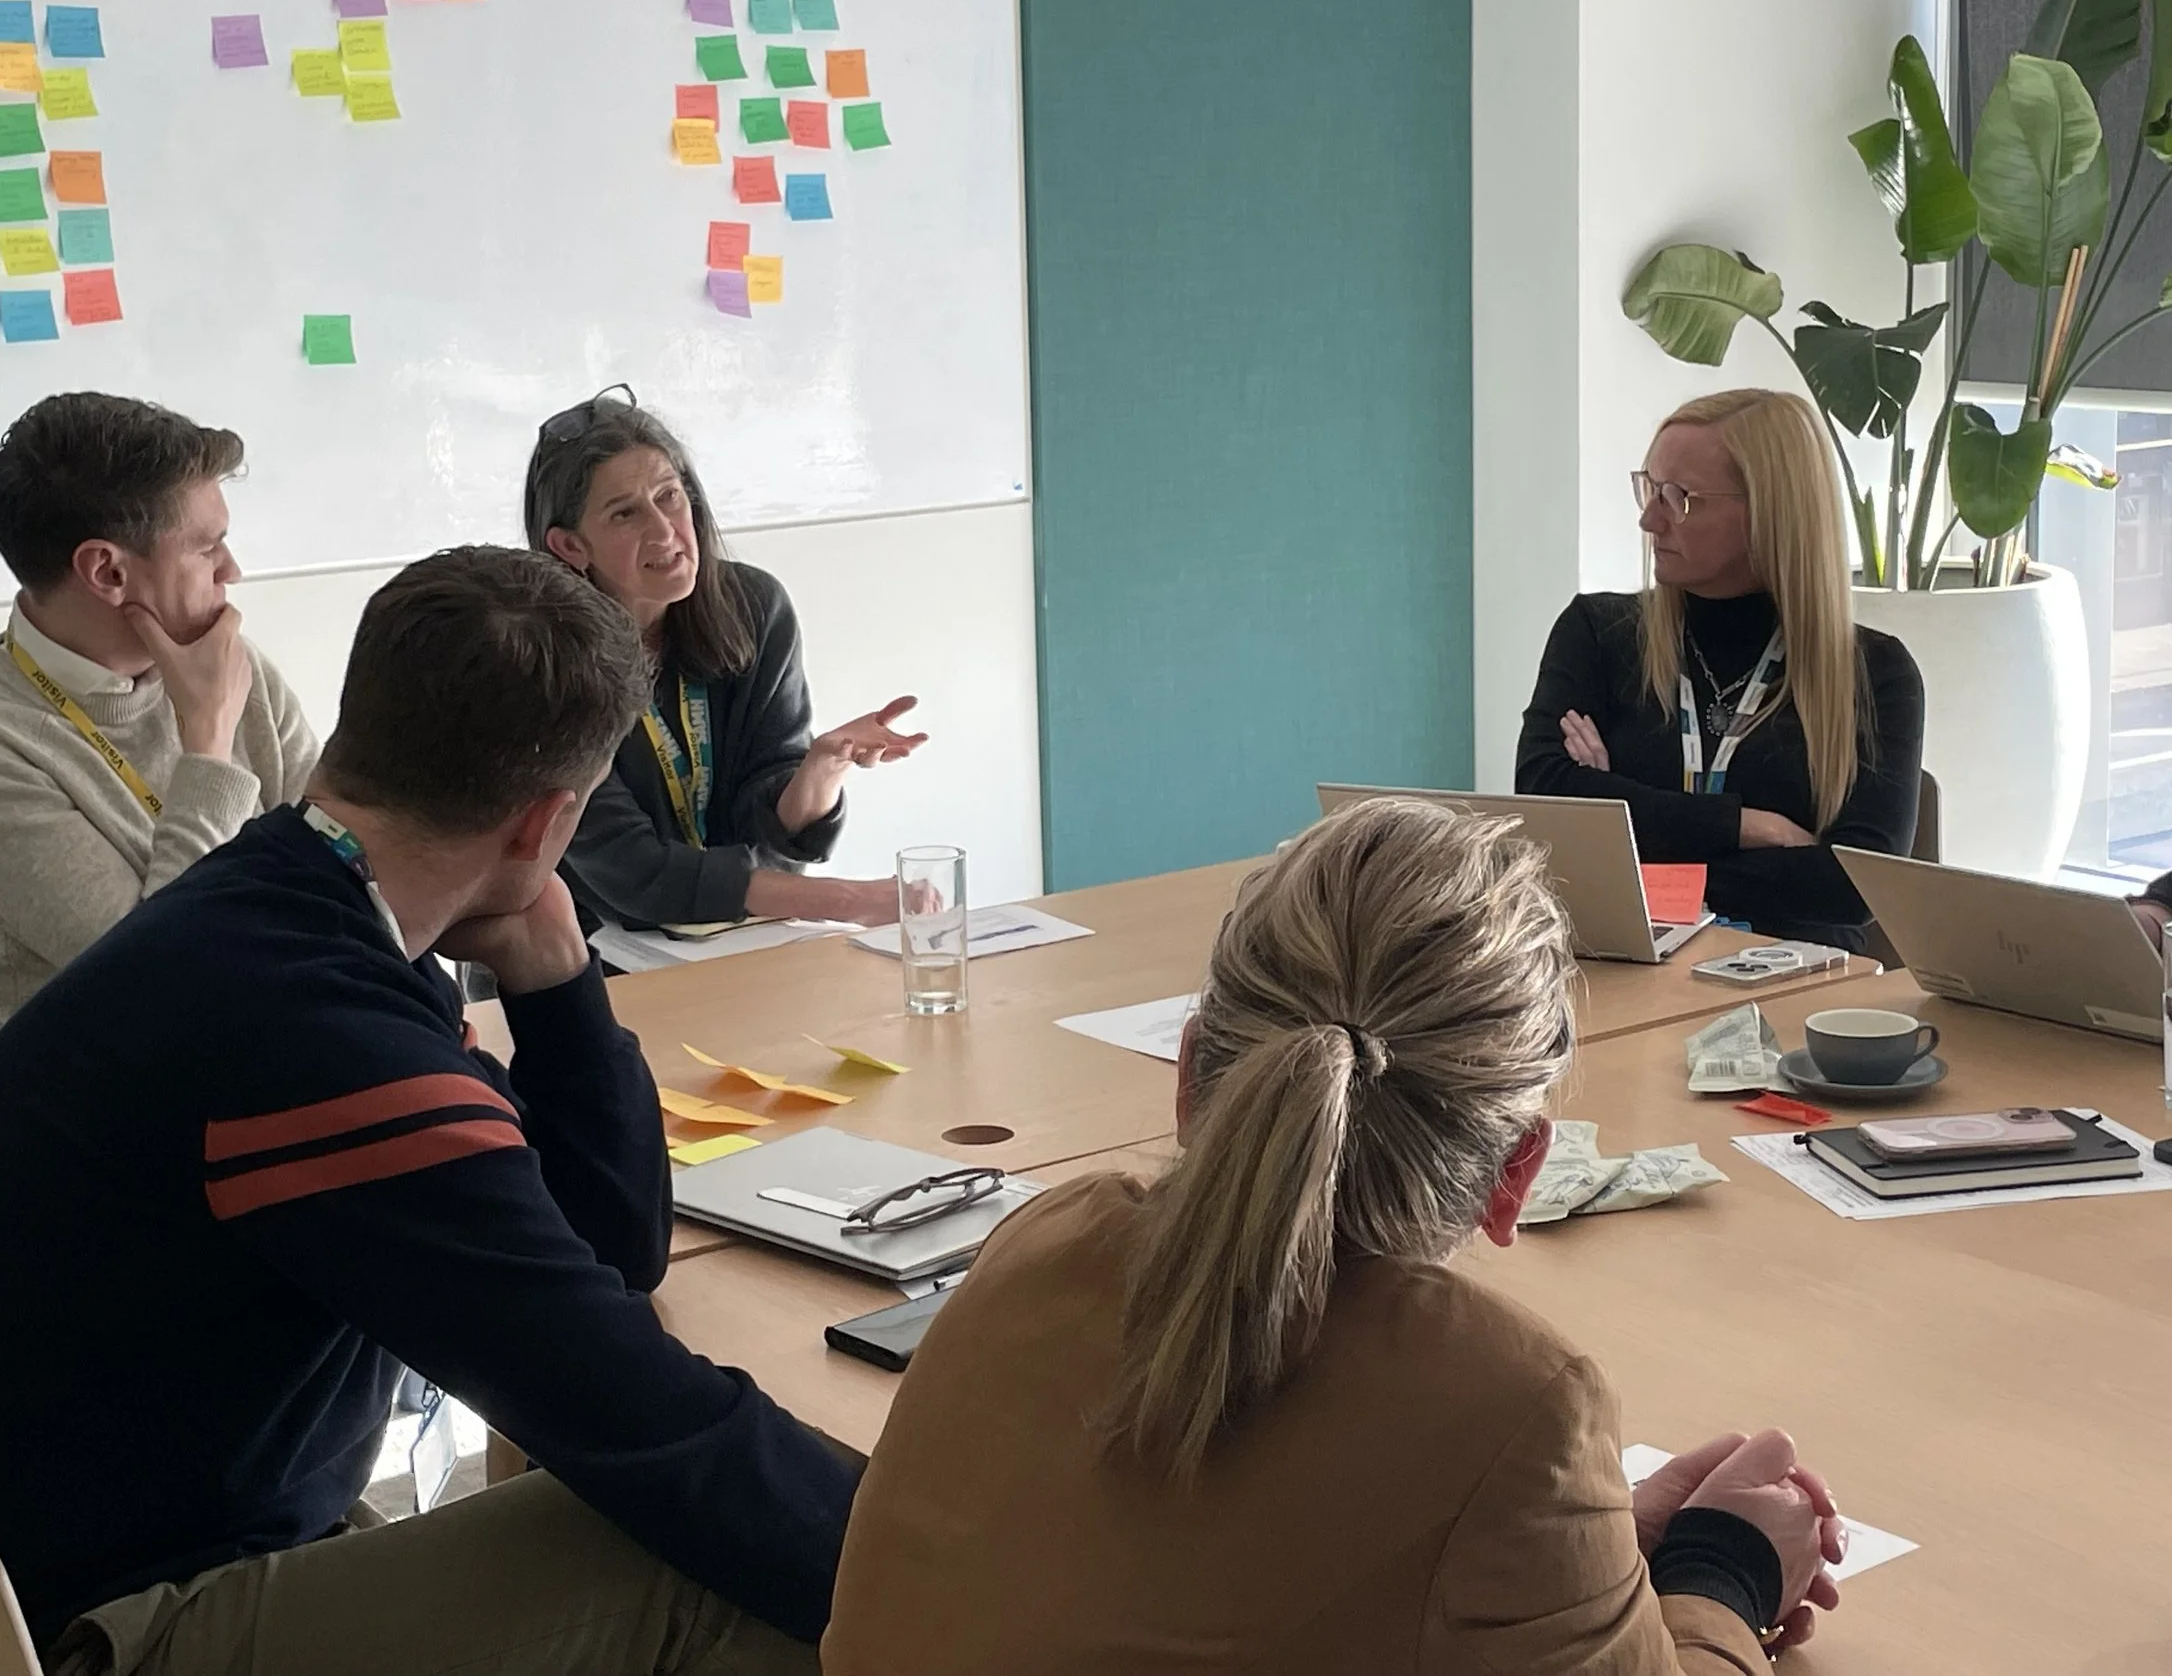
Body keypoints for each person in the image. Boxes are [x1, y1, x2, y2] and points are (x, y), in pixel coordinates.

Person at [0, 547, 855, 1676]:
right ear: (544, 822)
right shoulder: (324, 1041)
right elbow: (638, 1420)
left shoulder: (279, 911)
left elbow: (605, 1252)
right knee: (719, 1562)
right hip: (82, 1627)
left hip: (38, 1563)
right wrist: (972, 1563)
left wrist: (556, 967)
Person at [824, 798, 1845, 1675]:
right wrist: (1723, 1569)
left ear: (1188, 1083)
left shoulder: (1040, 1242)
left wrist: (1595, 1556)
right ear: (1514, 1177)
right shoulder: (1511, 1407)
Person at [0, 392, 317, 1038]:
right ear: (107, 570)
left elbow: (354, 864)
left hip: (295, 1037)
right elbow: (162, 982)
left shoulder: (230, 664)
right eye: (208, 547)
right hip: (139, 1111)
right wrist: (206, 744)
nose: (232, 570)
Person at [1515, 388, 1923, 950]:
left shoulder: (1875, 674)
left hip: (1798, 988)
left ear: (1772, 514)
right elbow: (1546, 803)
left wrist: (1630, 833)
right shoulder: (1598, 632)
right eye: (1649, 488)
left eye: (1680, 498)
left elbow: (1856, 890)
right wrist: (1747, 827)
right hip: (1620, 973)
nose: (1649, 519)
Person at [524, 387, 924, 932]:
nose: (664, 532)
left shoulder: (754, 608)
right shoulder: (538, 661)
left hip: (731, 941)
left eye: (669, 496)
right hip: (586, 957)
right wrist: (850, 901)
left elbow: (768, 833)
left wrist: (820, 769)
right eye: (625, 514)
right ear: (571, 547)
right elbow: (633, 873)